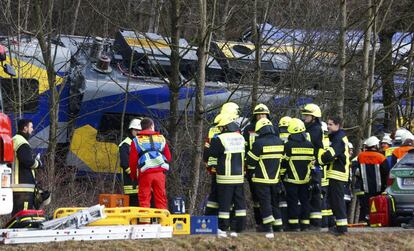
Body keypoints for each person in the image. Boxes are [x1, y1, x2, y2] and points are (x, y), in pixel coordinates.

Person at [208, 116, 246, 238]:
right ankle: (240, 226)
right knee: (239, 203)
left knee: (224, 203)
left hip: (225, 177)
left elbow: (212, 153)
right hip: (239, 177)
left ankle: (222, 226)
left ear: (224, 127)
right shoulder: (241, 137)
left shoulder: (220, 138)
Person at [246, 118, 284, 238]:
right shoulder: (279, 141)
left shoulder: (259, 143)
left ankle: (267, 228)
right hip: (275, 179)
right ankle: (278, 227)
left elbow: (250, 162)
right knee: (275, 202)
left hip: (261, 179)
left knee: (265, 203)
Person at [129, 118, 171, 209]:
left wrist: (134, 177)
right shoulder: (161, 139)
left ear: (141, 128)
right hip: (160, 173)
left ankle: (145, 222)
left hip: (145, 173)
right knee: (161, 199)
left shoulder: (136, 140)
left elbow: (132, 162)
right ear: (152, 126)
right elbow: (168, 157)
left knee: (144, 200)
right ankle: (162, 222)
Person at [318, 116, 350, 235]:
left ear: (338, 125)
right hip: (335, 173)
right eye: (328, 124)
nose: (328, 126)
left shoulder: (339, 139)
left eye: (331, 124)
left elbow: (330, 155)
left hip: (338, 174)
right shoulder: (336, 137)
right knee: (333, 200)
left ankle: (342, 229)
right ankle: (339, 226)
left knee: (337, 201)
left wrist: (320, 157)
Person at [281, 118, 315, 231]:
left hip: (291, 180)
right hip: (306, 180)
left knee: (293, 202)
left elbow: (284, 163)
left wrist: (281, 176)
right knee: (305, 201)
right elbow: (312, 163)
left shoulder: (288, 145)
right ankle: (305, 224)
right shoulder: (310, 145)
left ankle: (294, 225)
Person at [243, 103, 271, 229]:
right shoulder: (249, 129)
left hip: (268, 166)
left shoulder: (271, 128)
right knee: (255, 196)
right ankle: (259, 222)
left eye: (264, 114)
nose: (261, 116)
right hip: (252, 166)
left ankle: (269, 222)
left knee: (268, 196)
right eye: (259, 114)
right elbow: (244, 147)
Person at [12, 119, 44, 216]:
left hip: (18, 185)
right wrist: (39, 164)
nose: (32, 130)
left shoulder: (15, 139)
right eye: (31, 127)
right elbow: (27, 161)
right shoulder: (21, 142)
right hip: (23, 187)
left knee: (17, 215)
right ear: (25, 128)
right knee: (23, 215)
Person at [354, 136, 389, 223]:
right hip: (379, 188)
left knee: (366, 207)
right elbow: (386, 172)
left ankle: (366, 219)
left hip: (365, 188)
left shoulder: (360, 156)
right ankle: (377, 221)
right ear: (375, 145)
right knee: (378, 206)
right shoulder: (381, 157)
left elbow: (358, 171)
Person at [301, 103, 324, 229]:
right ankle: (310, 222)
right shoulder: (310, 128)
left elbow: (307, 142)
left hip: (314, 167)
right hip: (309, 165)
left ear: (314, 117)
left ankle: (315, 223)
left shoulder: (314, 129)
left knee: (315, 194)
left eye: (307, 115)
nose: (304, 117)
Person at [119, 118, 141, 206]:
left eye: (140, 130)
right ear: (131, 130)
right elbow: (125, 164)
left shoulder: (140, 143)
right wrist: (136, 175)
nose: (138, 132)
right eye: (136, 130)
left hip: (142, 184)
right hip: (131, 184)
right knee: (133, 208)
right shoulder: (125, 144)